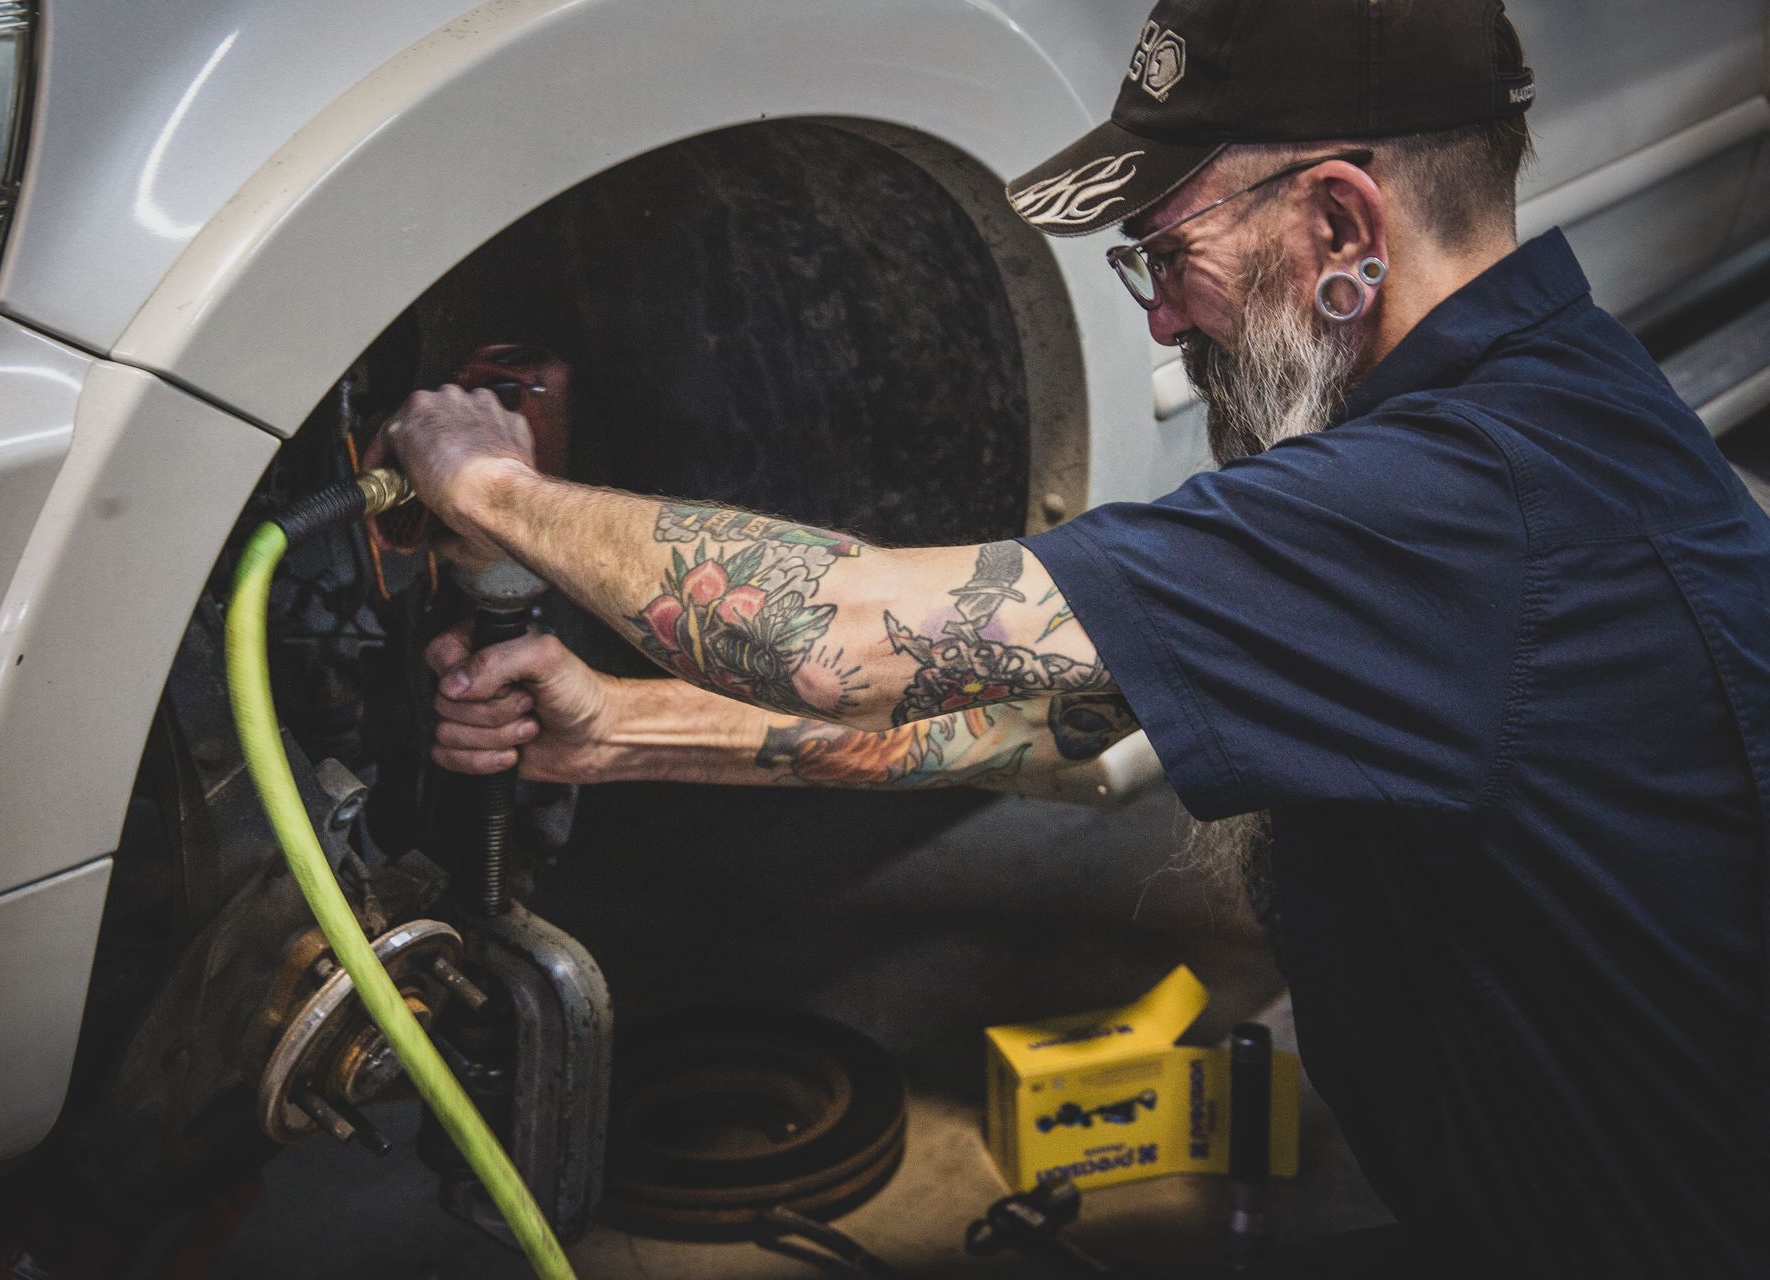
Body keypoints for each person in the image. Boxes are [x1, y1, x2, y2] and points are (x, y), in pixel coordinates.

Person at [384, 1, 1769, 1272]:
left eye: (1168, 253)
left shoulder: (1450, 511)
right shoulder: (1544, 410)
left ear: (1342, 228)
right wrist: (625, 725)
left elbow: (839, 636)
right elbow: (1052, 714)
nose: (1163, 318)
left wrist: (492, 484)